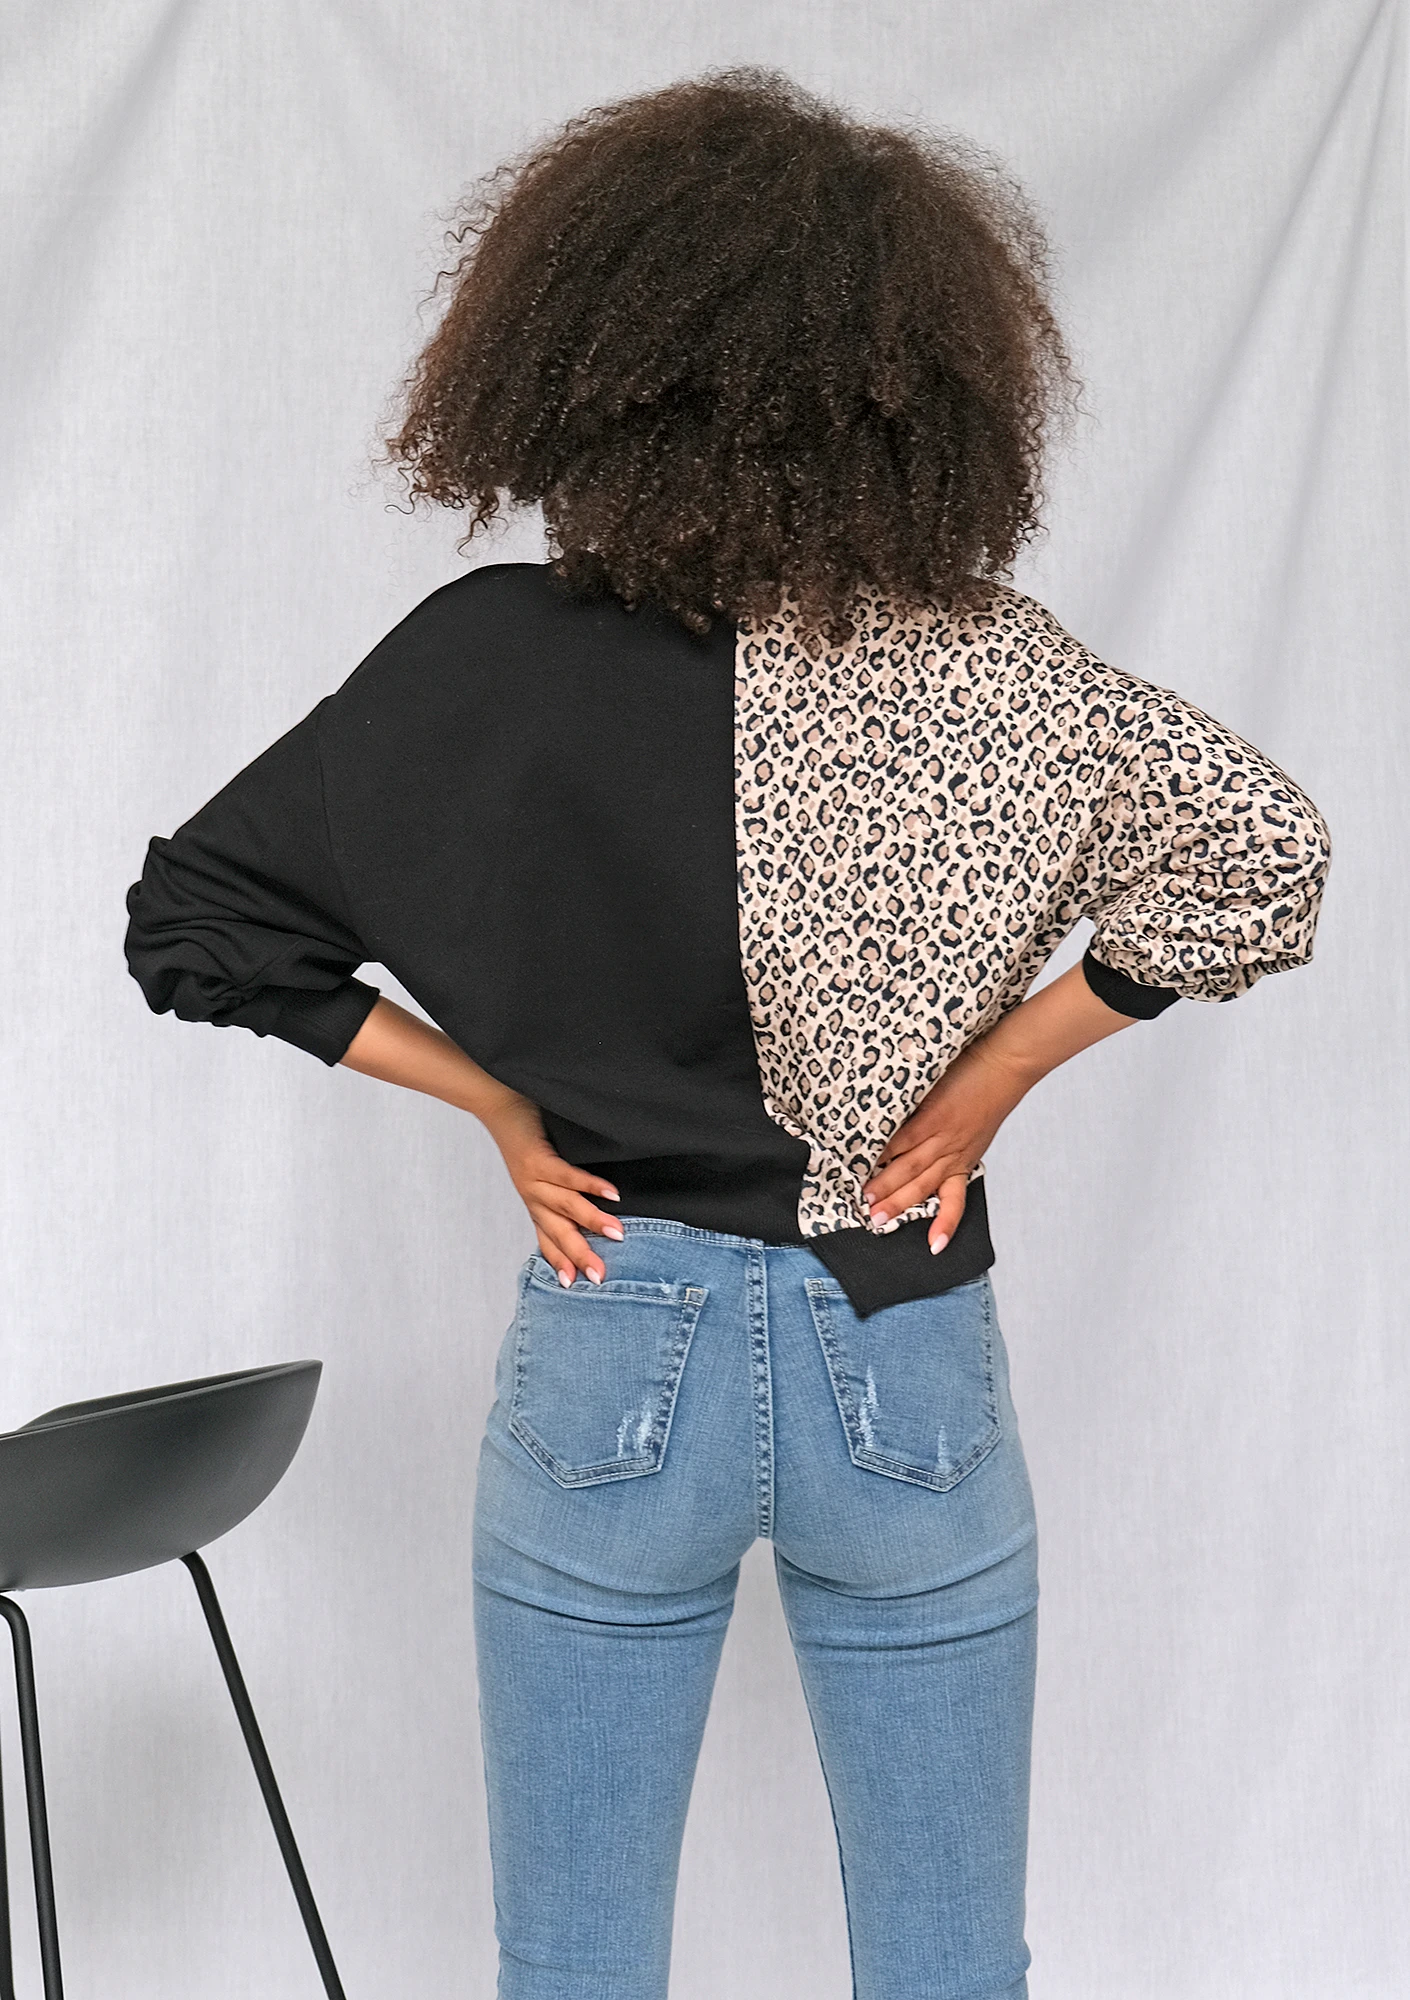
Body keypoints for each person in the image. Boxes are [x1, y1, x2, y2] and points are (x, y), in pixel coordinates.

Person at [123, 67, 1332, 2000]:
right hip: (901, 1332)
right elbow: (1262, 853)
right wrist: (993, 1075)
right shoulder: (986, 670)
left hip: (612, 1335)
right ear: (922, 393)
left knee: (574, 1965)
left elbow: (194, 922)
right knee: (950, 1967)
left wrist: (500, 1108)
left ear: (574, 367)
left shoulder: (478, 659)